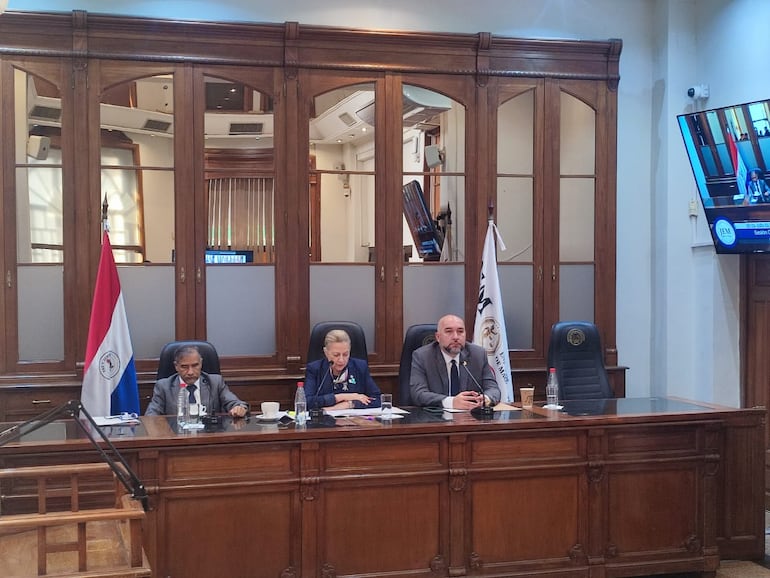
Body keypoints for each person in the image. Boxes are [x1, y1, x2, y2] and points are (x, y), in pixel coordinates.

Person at [410, 314, 501, 410]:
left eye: (460, 331)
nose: (455, 337)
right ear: (438, 337)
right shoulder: (423, 356)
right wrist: (452, 402)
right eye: (449, 332)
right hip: (435, 419)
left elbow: (493, 389)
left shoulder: (478, 354)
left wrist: (485, 399)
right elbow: (418, 394)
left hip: (470, 418)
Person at [145, 345, 249, 417]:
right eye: (184, 367)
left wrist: (239, 408)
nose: (190, 372)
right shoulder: (164, 386)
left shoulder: (215, 382)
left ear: (201, 363)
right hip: (176, 439)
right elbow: (151, 416)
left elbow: (236, 403)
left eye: (195, 365)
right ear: (176, 366)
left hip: (209, 438)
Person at [304, 329, 381, 411]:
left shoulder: (360, 367)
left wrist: (349, 404)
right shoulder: (315, 369)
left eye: (345, 354)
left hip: (355, 421)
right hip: (323, 422)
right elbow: (307, 402)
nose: (341, 360)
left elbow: (377, 399)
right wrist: (343, 397)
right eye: (336, 355)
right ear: (326, 353)